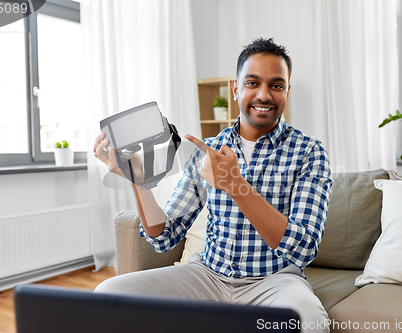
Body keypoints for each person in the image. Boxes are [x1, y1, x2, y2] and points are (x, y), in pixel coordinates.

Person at [93, 37, 332, 332]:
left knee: (308, 320)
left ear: (287, 91)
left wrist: (236, 185)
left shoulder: (309, 151)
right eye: (252, 83)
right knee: (108, 294)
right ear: (236, 89)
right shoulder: (209, 149)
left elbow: (303, 248)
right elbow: (163, 237)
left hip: (274, 282)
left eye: (276, 85)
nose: (264, 95)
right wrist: (137, 181)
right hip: (208, 277)